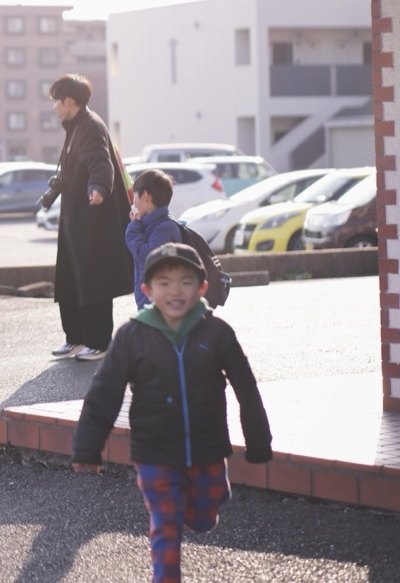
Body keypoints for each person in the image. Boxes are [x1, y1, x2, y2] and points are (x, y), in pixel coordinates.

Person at [72, 243, 272, 583]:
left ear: (202, 287)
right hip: (155, 454)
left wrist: (258, 440)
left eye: (185, 282)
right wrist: (87, 447)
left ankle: (209, 500)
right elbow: (104, 392)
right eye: (164, 283)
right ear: (148, 290)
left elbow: (246, 387)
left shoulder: (217, 333)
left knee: (204, 518)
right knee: (166, 523)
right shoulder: (132, 336)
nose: (175, 291)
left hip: (207, 449)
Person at [44, 73, 133, 362]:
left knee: (93, 280)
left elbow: (100, 162)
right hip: (75, 219)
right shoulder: (76, 126)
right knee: (71, 279)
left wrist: (98, 188)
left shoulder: (90, 126)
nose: (55, 107)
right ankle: (75, 338)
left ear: (69, 101)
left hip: (92, 221)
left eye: (57, 101)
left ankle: (98, 342)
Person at [125, 169, 182, 310]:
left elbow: (146, 256)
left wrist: (133, 227)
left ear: (145, 195)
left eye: (134, 196)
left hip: (159, 303)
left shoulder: (165, 228)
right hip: (151, 300)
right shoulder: (152, 224)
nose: (133, 202)